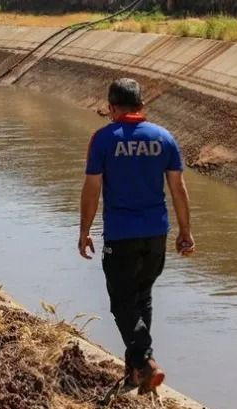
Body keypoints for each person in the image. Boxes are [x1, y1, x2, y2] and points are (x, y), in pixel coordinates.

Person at [78, 78, 194, 395]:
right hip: (156, 233)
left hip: (121, 236)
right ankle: (134, 374)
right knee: (142, 298)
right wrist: (185, 231)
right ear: (142, 106)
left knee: (121, 304)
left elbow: (92, 189)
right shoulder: (164, 138)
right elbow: (178, 189)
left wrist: (84, 230)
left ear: (111, 108)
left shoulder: (103, 139)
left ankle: (146, 362)